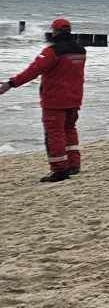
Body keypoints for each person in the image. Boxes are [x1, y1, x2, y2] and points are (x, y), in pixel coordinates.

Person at [5, 17, 87, 183]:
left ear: (55, 31)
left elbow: (33, 71)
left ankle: (59, 170)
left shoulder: (52, 51)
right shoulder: (80, 50)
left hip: (54, 100)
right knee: (70, 130)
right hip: (74, 97)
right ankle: (73, 164)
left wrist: (10, 84)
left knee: (54, 134)